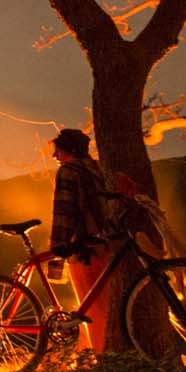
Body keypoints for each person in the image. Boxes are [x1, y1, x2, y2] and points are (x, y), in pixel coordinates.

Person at [47, 127, 116, 351]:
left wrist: (59, 245)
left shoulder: (69, 171)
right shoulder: (96, 169)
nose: (54, 156)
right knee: (102, 303)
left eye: (57, 150)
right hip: (104, 243)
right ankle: (93, 351)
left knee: (91, 306)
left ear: (68, 149)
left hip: (83, 246)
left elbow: (64, 210)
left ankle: (99, 355)